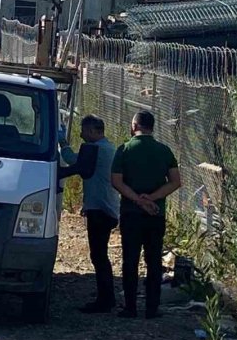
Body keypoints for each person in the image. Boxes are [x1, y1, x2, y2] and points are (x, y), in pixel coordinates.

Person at [111, 111, 182, 319]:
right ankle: (152, 307)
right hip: (155, 214)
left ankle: (130, 306)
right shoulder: (164, 150)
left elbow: (116, 181)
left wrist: (137, 199)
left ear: (134, 126)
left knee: (130, 260)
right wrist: (152, 198)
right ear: (152, 127)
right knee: (153, 260)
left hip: (131, 213)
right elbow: (176, 181)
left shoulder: (124, 149)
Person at [58, 115, 120, 313]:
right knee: (100, 254)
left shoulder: (96, 150)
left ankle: (105, 299)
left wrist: (62, 142)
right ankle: (106, 296)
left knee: (99, 255)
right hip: (106, 208)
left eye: (84, 130)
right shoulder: (109, 148)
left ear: (94, 131)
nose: (81, 134)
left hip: (100, 210)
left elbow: (74, 162)